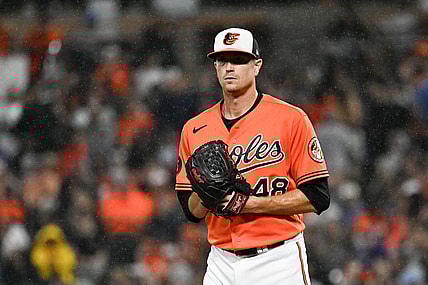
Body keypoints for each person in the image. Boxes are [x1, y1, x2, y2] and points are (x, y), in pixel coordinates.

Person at [175, 27, 330, 285]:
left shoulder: (290, 119)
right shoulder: (194, 128)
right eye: (222, 60)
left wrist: (247, 203)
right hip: (220, 261)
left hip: (277, 259)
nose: (229, 68)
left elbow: (318, 197)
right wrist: (207, 194)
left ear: (256, 66)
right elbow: (190, 211)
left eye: (238, 60)